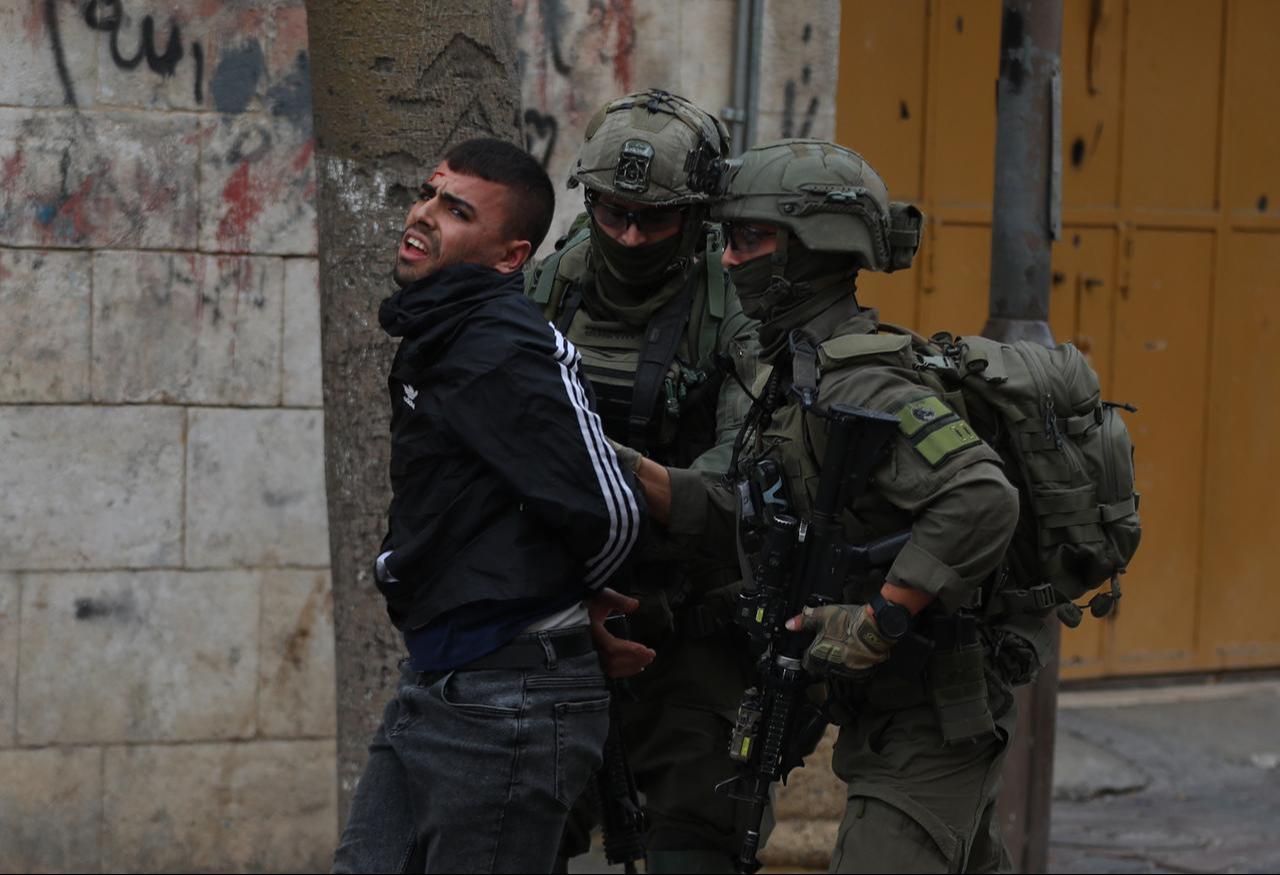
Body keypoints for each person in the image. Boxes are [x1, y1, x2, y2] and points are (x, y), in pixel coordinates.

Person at [639, 138, 1026, 872]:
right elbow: (750, 509)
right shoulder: (798, 370)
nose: (728, 259)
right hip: (882, 708)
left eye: (751, 239)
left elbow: (980, 495)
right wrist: (632, 475)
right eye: (728, 238)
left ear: (812, 249)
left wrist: (879, 616)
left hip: (931, 711)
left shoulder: (862, 382)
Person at [332, 137, 649, 874]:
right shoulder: (443, 331)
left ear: (511, 256)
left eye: (456, 209)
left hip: (509, 699)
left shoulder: (504, 346)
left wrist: (565, 600)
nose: (423, 214)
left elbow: (613, 512)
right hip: (440, 679)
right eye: (430, 192)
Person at [524, 90, 762, 873]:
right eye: (613, 212)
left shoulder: (737, 312)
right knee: (514, 834)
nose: (629, 234)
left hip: (688, 628)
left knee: (697, 842)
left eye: (653, 219)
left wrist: (608, 463)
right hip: (561, 618)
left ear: (698, 218)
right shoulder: (551, 287)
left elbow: (739, 486)